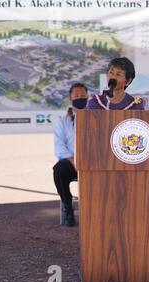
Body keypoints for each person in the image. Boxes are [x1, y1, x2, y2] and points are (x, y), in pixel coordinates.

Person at [53, 83, 88, 227]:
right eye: (76, 96)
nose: (80, 98)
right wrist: (73, 159)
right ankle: (68, 207)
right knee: (59, 169)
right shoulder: (63, 122)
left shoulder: (97, 117)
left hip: (92, 161)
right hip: (71, 162)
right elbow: (59, 145)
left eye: (83, 96)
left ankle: (98, 210)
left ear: (88, 98)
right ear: (70, 99)